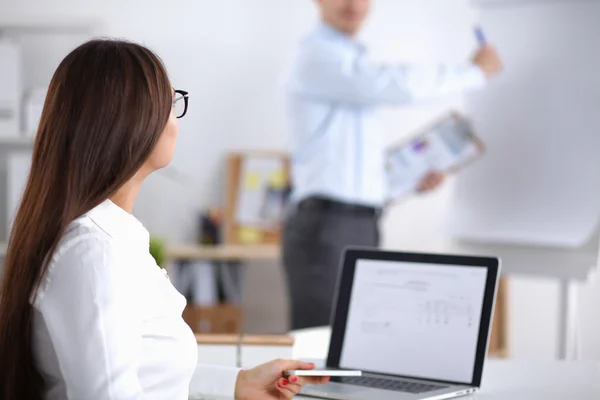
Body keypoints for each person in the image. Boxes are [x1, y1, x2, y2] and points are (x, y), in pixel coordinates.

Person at [0, 39, 328, 400]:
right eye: (171, 102)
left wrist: (238, 383)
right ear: (131, 119)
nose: (176, 119)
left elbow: (146, 374)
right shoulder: (95, 252)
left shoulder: (112, 239)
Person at [282, 0, 503, 330]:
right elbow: (395, 84)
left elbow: (350, 165)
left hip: (359, 223)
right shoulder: (317, 56)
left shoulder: (351, 60)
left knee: (351, 341)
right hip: (328, 226)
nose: (354, 4)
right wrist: (473, 72)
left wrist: (409, 181)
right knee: (321, 346)